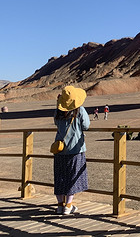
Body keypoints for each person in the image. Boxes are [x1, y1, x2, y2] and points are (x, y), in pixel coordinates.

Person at [53, 86, 90, 215]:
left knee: (60, 177)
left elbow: (56, 123)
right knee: (72, 177)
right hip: (75, 149)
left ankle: (59, 205)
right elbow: (86, 125)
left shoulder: (58, 111)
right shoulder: (80, 110)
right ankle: (68, 206)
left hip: (60, 148)